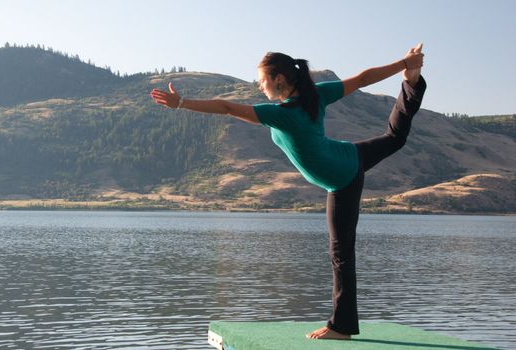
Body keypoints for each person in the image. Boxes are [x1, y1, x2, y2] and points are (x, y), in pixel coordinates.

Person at [150, 45, 426, 340]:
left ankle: (341, 327)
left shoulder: (281, 114)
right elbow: (360, 79)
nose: (260, 86)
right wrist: (403, 65)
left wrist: (182, 104)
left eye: (262, 80)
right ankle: (412, 82)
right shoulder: (314, 95)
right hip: (348, 157)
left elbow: (227, 107)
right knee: (394, 138)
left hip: (343, 179)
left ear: (279, 79)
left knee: (341, 254)